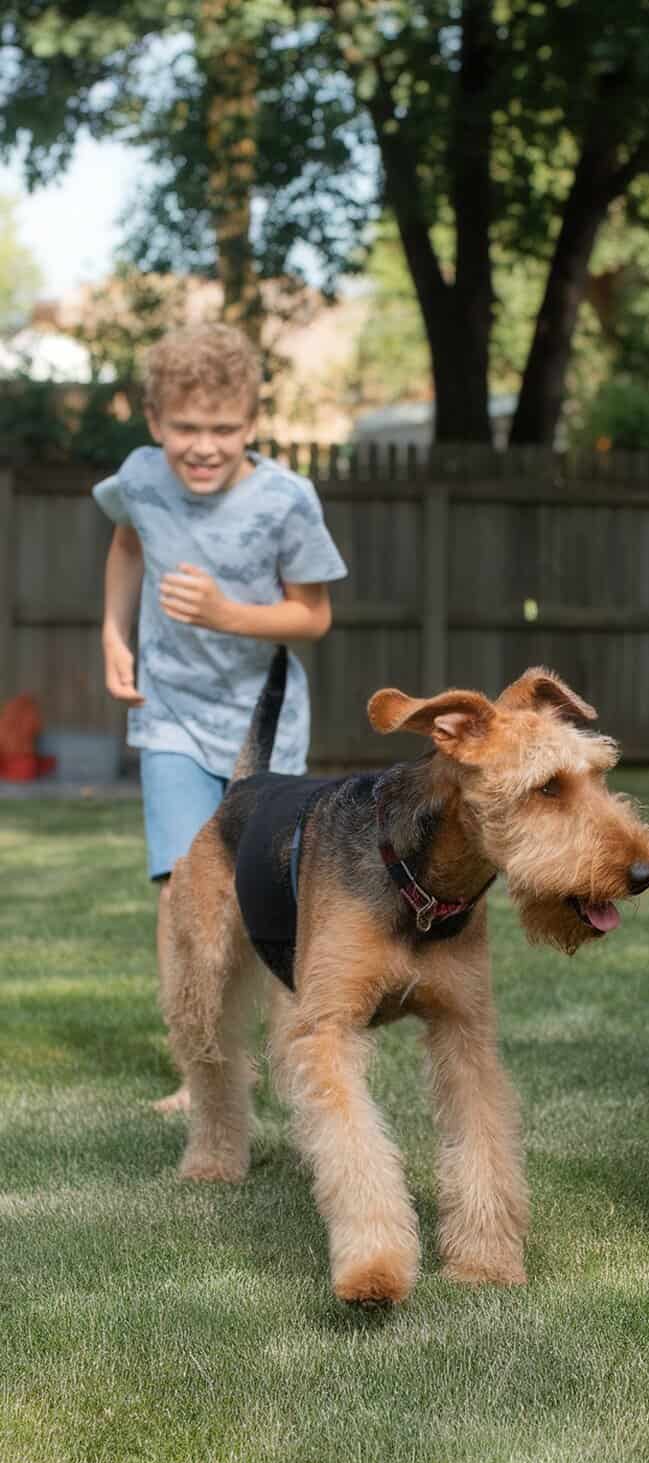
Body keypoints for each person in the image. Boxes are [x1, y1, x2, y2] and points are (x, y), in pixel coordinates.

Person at [95, 324, 347, 1110]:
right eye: (186, 429)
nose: (204, 446)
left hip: (260, 725)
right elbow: (128, 545)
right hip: (169, 713)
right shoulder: (140, 477)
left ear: (252, 421)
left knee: (265, 895)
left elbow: (313, 617)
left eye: (223, 428)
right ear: (154, 421)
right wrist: (112, 632)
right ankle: (202, 1067)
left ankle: (291, 1048)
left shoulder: (285, 500)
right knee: (182, 893)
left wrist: (225, 614)